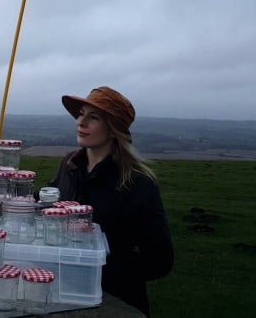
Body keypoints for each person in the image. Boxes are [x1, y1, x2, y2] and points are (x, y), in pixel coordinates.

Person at [48, 86, 173, 317]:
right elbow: (49, 201)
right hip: (63, 294)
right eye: (81, 114)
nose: (81, 122)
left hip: (116, 301)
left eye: (93, 117)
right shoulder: (70, 165)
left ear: (113, 129)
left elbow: (160, 259)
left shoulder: (137, 183)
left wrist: (101, 267)